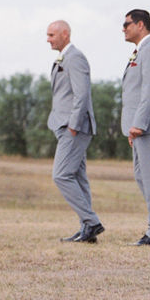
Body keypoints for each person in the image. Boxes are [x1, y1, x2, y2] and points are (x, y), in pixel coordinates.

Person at [45, 20, 102, 242]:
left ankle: (92, 221)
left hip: (74, 127)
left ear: (65, 34)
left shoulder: (75, 57)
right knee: (78, 177)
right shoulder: (64, 57)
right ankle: (87, 230)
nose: (48, 39)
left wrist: (74, 125)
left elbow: (82, 94)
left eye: (51, 35)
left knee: (60, 175)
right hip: (63, 125)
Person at [121, 9, 150, 246]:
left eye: (127, 23)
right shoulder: (140, 52)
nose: (123, 28)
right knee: (143, 177)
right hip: (139, 129)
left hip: (149, 127)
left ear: (140, 24)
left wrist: (138, 123)